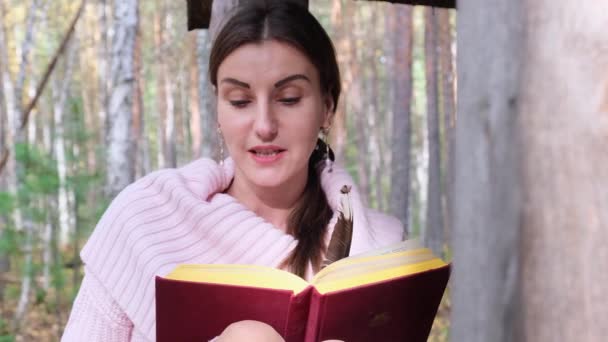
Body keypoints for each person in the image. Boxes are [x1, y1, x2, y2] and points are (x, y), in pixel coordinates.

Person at [61, 1, 404, 341]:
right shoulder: (143, 219)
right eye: (240, 101)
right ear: (219, 112)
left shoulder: (377, 249)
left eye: (288, 99)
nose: (264, 125)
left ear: (326, 108)